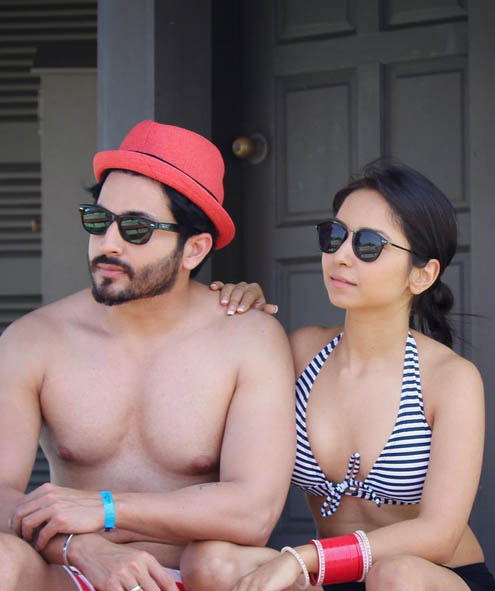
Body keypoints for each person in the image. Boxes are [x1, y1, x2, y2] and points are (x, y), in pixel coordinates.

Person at [0, 120, 295, 591]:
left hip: (194, 577)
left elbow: (253, 513)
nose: (108, 244)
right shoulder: (33, 340)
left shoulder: (248, 339)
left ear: (194, 249)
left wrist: (106, 509)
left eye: (136, 228)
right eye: (98, 221)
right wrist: (82, 546)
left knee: (231, 566)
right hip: (74, 571)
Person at [196, 161, 495, 590]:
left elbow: (439, 534)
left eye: (369, 245)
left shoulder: (450, 379)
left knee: (395, 575)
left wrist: (303, 558)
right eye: (334, 235)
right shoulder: (299, 353)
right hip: (331, 578)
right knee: (212, 562)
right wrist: (239, 319)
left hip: (427, 578)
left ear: (422, 274)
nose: (340, 256)